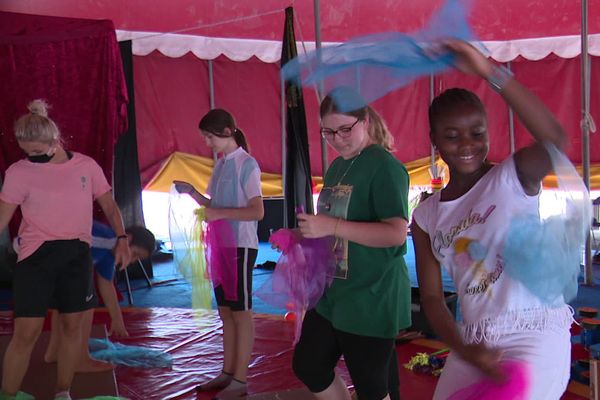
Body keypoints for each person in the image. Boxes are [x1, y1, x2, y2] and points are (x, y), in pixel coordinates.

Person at [411, 40, 573, 399]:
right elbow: (434, 299)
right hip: (475, 340)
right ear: (434, 140)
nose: (466, 144)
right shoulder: (425, 216)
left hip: (535, 331)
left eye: (477, 133)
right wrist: (465, 349)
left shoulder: (512, 178)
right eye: (452, 136)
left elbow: (555, 140)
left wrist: (489, 71)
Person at [0, 100, 131, 400]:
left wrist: (122, 238)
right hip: (35, 259)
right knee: (27, 333)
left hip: (76, 257)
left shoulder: (86, 166)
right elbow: (2, 218)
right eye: (25, 152)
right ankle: (7, 395)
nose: (30, 157)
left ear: (54, 141)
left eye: (35, 151)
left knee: (73, 328)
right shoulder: (18, 172)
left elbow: (109, 206)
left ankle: (63, 392)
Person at [289, 87, 410, 400]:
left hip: (371, 294)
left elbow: (396, 233)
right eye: (328, 131)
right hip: (336, 289)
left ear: (365, 121)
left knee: (372, 388)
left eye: (345, 129)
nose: (336, 139)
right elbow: (333, 226)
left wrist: (331, 225)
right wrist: (303, 235)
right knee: (309, 364)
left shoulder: (384, 166)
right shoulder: (337, 166)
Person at [174, 108, 264, 399]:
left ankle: (240, 378)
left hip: (240, 245)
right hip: (221, 246)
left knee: (241, 313)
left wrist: (217, 212)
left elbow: (257, 210)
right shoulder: (222, 164)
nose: (207, 143)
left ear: (226, 132)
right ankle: (227, 372)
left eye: (209, 137)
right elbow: (213, 202)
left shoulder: (247, 164)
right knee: (226, 312)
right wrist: (192, 193)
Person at [42, 222, 155, 372]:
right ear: (126, 238)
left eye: (137, 259)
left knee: (64, 304)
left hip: (52, 265)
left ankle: (54, 351)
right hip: (38, 254)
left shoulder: (108, 255)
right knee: (86, 302)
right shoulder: (106, 238)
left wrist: (117, 319)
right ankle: (81, 358)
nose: (132, 260)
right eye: (134, 254)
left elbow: (106, 284)